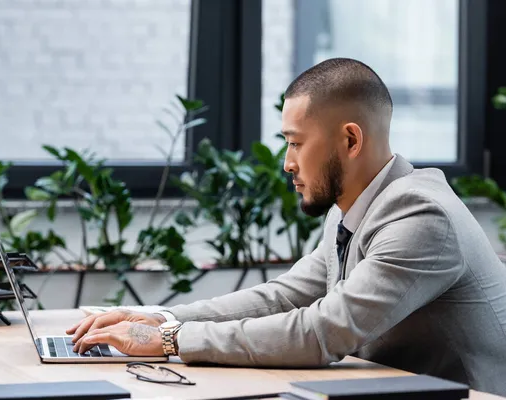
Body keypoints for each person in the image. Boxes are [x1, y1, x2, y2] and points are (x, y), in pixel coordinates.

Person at [66, 58, 506, 396]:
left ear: (351, 140)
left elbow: (323, 331)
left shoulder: (420, 216)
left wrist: (165, 338)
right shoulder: (351, 209)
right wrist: (158, 317)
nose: (287, 163)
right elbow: (283, 296)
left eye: (296, 142)